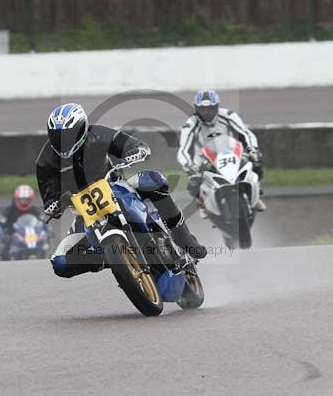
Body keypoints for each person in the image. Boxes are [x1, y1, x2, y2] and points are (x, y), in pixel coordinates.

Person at [37, 102, 207, 278]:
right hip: (83, 213)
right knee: (60, 262)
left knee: (153, 180)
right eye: (58, 136)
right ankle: (115, 260)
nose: (63, 141)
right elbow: (49, 198)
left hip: (115, 186)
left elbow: (131, 144)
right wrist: (53, 205)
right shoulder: (45, 161)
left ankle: (185, 240)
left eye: (68, 135)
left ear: (82, 128)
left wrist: (137, 150)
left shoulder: (98, 134)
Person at [177, 89, 266, 214]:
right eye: (202, 109)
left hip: (231, 152)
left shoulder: (228, 115)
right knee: (193, 184)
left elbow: (246, 133)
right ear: (196, 108)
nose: (206, 112)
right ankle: (203, 203)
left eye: (210, 108)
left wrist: (253, 150)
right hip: (203, 159)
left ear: (217, 107)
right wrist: (189, 166)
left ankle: (256, 196)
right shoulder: (190, 124)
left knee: (256, 164)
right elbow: (183, 149)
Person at [0, 184, 45, 260]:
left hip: (32, 237)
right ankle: (3, 259)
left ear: (31, 199)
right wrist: (3, 236)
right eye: (21, 199)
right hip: (13, 237)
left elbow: (44, 223)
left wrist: (47, 232)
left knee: (45, 243)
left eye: (26, 200)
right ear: (16, 199)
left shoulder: (35, 210)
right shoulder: (9, 211)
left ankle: (46, 258)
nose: (24, 202)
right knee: (4, 248)